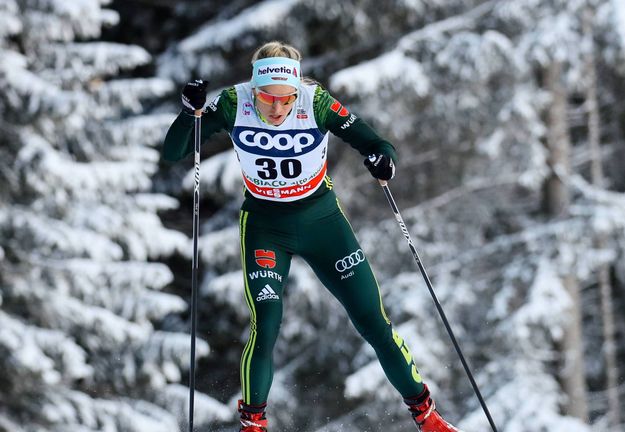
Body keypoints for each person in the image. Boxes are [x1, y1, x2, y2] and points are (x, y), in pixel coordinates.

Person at [163, 41, 461, 432]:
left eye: (285, 99)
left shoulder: (315, 102)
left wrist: (382, 159)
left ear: (296, 89)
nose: (277, 109)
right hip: (265, 227)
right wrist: (191, 113)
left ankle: (427, 416)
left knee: (373, 321)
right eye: (268, 98)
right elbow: (175, 151)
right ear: (255, 90)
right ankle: (253, 425)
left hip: (322, 223)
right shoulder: (235, 103)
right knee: (266, 325)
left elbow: (374, 142)